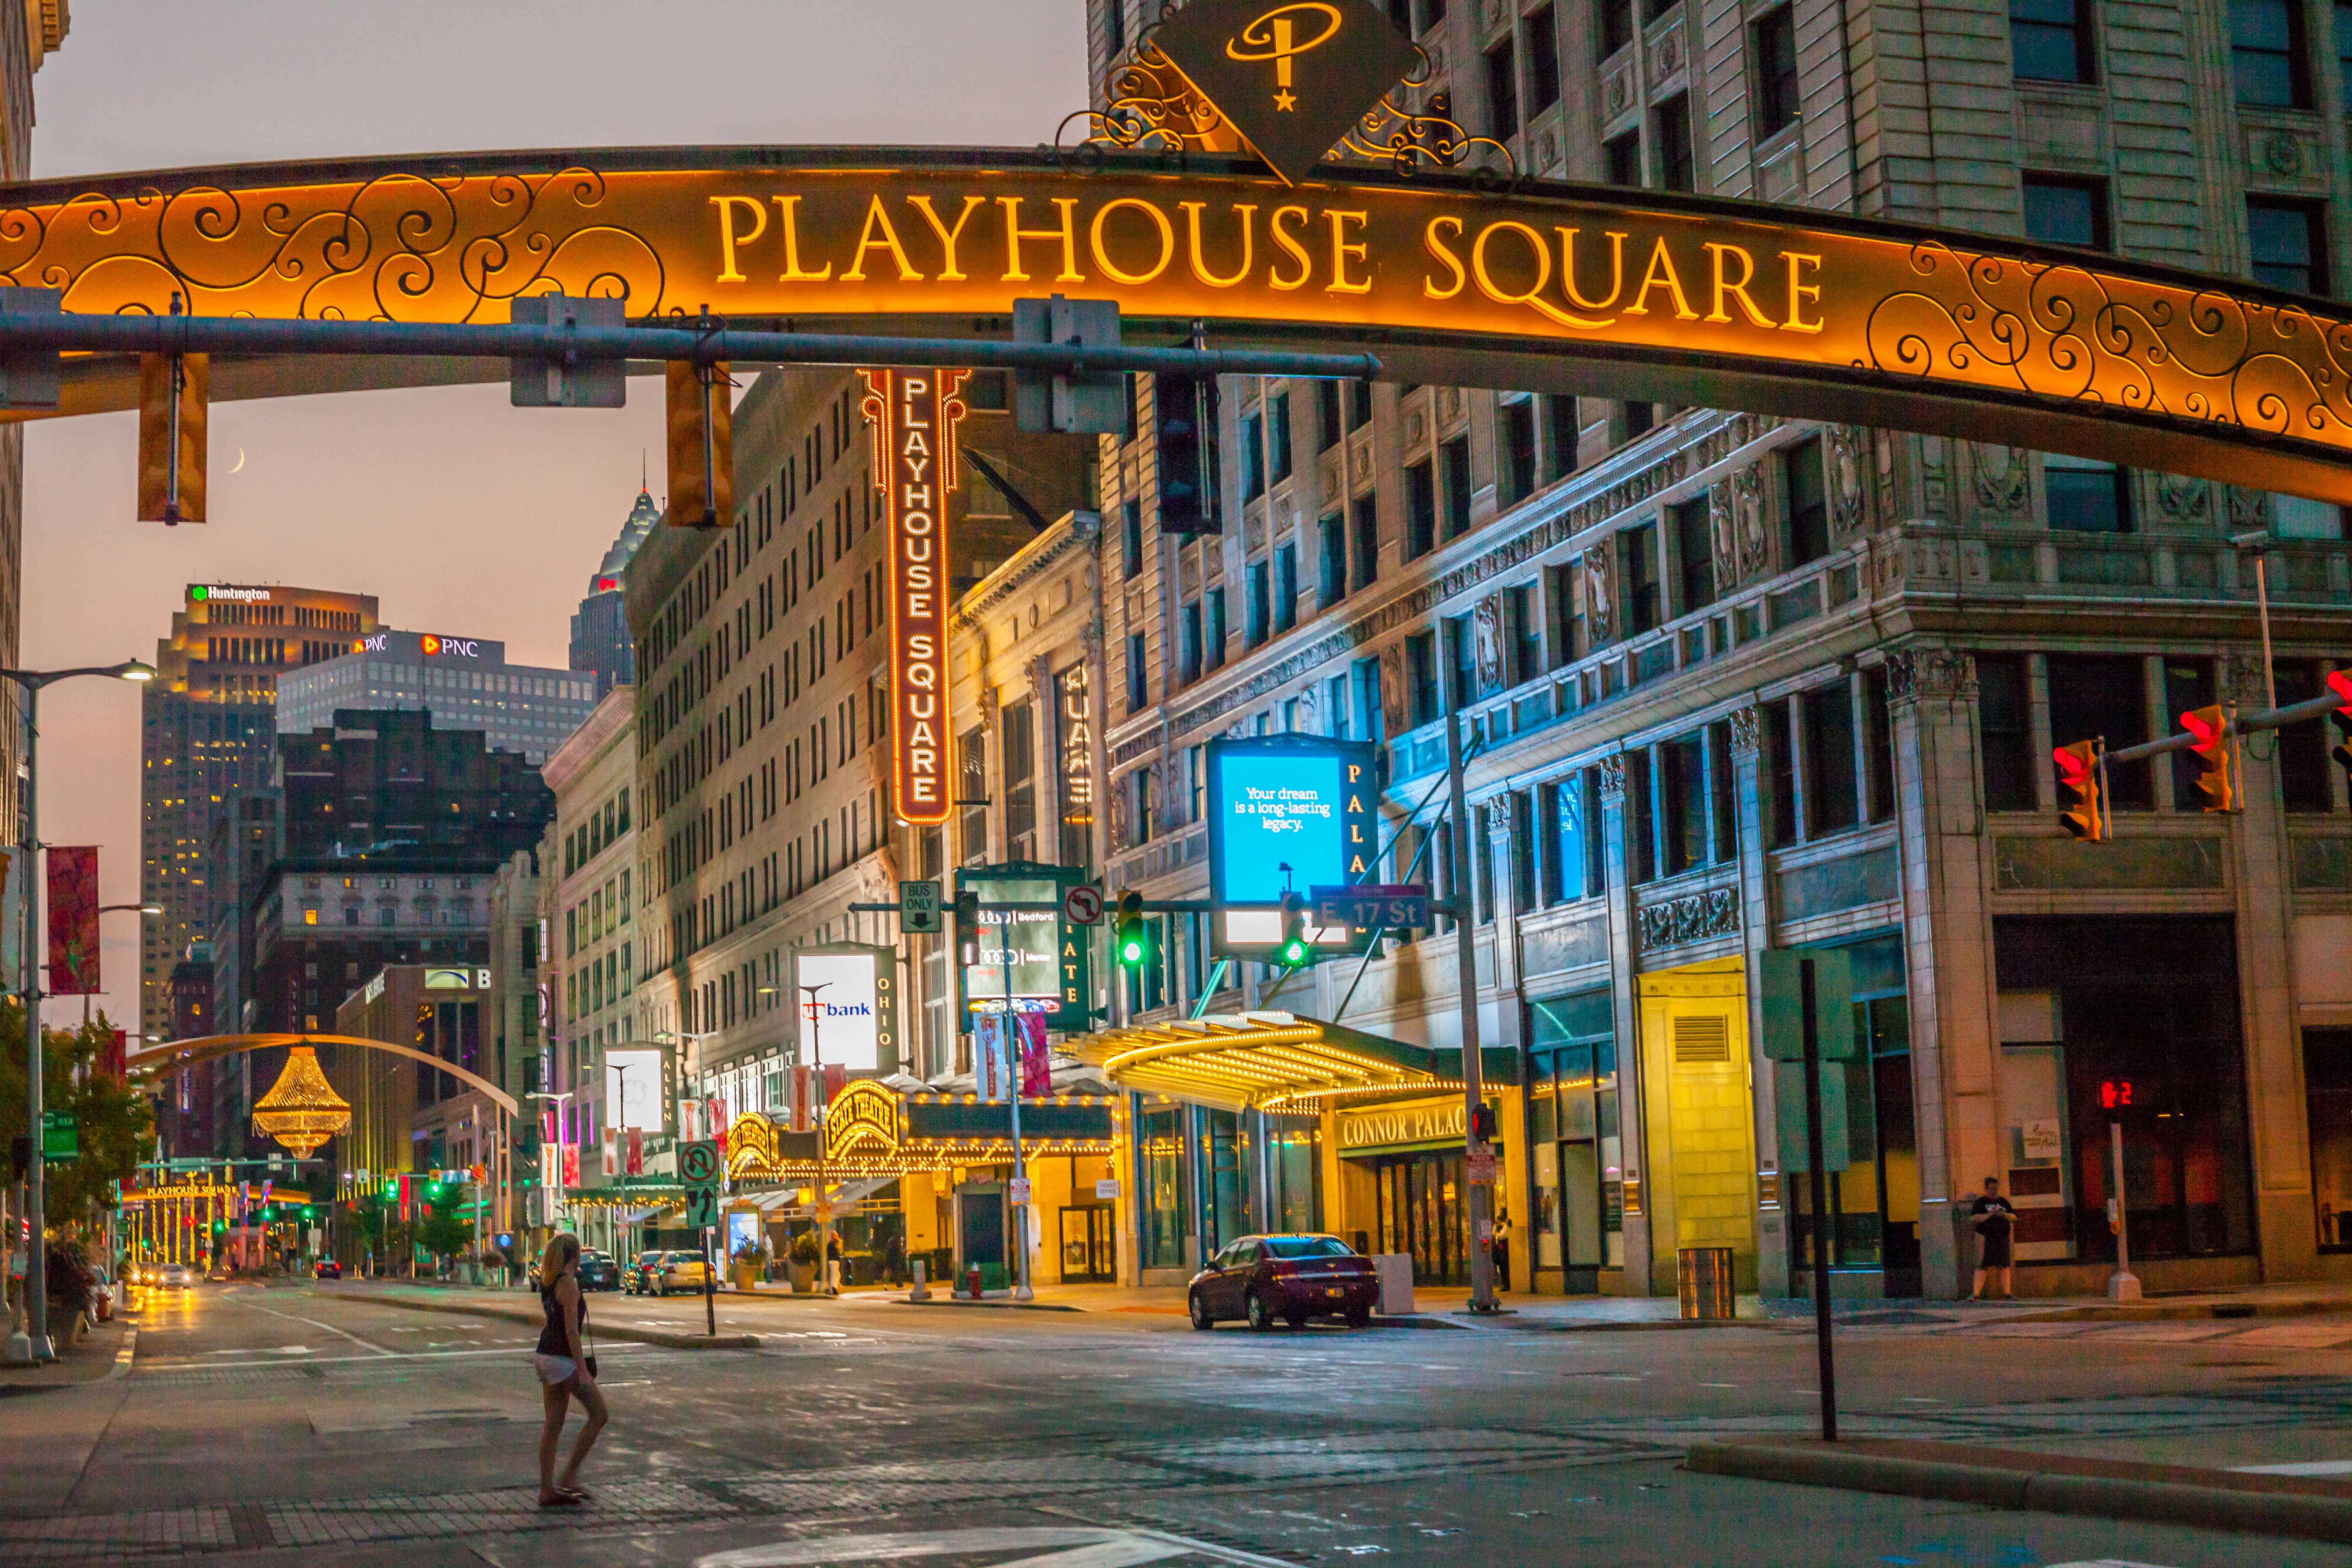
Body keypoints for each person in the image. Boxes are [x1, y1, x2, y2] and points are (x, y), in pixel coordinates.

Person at [533, 1233, 608, 1507]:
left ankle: (547, 1489)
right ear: (575, 1256)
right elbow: (571, 1333)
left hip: (546, 1356)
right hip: (563, 1359)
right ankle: (568, 1477)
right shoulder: (568, 1285)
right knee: (600, 1414)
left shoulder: (549, 1282)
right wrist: (582, 1369)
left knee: (553, 1426)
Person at [1969, 1175, 2017, 1301]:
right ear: (1986, 1189)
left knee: (2004, 1266)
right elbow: (1973, 1218)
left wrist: (2004, 1215)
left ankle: (2007, 1293)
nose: (1993, 1191)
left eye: (1996, 1189)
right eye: (1991, 1189)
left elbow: (2014, 1217)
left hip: (2002, 1238)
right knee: (1982, 1266)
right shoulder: (1980, 1202)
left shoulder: (2003, 1202)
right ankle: (1976, 1294)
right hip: (1985, 1238)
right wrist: (1988, 1215)